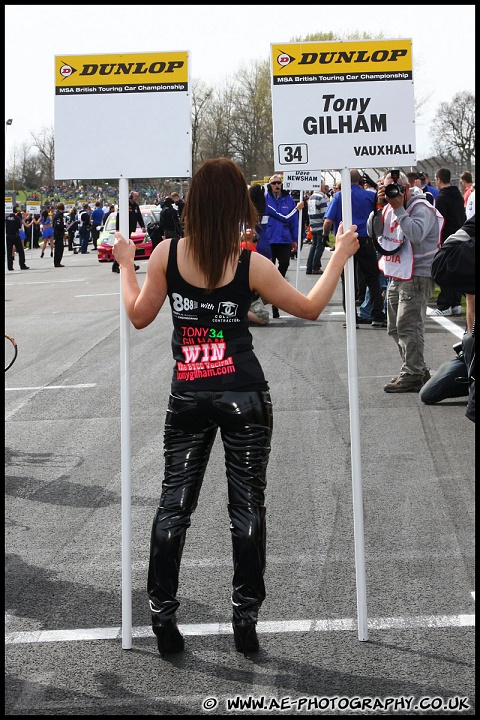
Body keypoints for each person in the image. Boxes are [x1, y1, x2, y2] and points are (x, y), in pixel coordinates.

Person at [112, 157, 359, 657]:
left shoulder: (164, 254)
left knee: (174, 504)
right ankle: (245, 617)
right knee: (247, 505)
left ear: (194, 202)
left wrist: (124, 265)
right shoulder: (251, 264)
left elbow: (139, 316)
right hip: (244, 394)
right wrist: (338, 257)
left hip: (189, 394)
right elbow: (310, 307)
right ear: (236, 208)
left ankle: (162, 615)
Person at [372, 170, 443, 393]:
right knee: (394, 327)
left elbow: (415, 234)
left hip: (418, 274)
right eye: (387, 188)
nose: (393, 193)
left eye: (396, 188)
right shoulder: (387, 207)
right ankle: (417, 368)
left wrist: (398, 208)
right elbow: (375, 233)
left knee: (408, 325)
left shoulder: (422, 208)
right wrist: (379, 204)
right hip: (398, 272)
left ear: (405, 187)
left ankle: (412, 373)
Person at [323, 169, 386, 328]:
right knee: (372, 279)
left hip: (346, 241)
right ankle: (377, 315)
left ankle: (351, 318)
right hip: (365, 239)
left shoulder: (339, 196)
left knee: (347, 281)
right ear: (360, 182)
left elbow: (328, 221)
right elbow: (380, 213)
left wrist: (325, 237)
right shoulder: (370, 195)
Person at [265, 174, 300, 318]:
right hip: (269, 238)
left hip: (284, 238)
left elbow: (294, 220)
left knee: (285, 263)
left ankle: (276, 285)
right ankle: (272, 296)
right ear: (270, 185)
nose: (277, 186)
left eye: (279, 183)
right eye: (274, 183)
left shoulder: (288, 199)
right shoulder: (265, 199)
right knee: (269, 267)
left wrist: (295, 238)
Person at [433, 168, 466, 316]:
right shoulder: (458, 195)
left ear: (438, 179)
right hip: (460, 237)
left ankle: (444, 305)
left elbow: (439, 222)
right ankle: (456, 303)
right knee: (456, 271)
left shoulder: (441, 198)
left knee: (444, 271)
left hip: (447, 239)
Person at [248, 184, 303, 261]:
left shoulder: (244, 209)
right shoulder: (266, 208)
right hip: (263, 242)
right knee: (266, 269)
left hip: (248, 242)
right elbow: (285, 218)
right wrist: (296, 209)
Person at [112, 192, 143, 273]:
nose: (136, 198)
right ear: (130, 196)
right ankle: (117, 266)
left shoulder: (135, 206)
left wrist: (142, 225)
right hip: (123, 228)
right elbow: (119, 216)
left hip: (130, 228)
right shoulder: (124, 204)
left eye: (137, 196)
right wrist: (118, 228)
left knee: (126, 247)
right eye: (135, 196)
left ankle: (127, 265)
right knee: (123, 246)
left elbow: (139, 216)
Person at [305, 183, 329, 275]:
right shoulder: (321, 198)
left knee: (314, 246)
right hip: (320, 225)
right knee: (319, 246)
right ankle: (315, 267)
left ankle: (309, 267)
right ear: (321, 186)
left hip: (313, 224)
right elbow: (324, 214)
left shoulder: (311, 197)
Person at [52, 202, 66, 267]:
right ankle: (57, 262)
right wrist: (64, 226)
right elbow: (57, 225)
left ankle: (57, 262)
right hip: (58, 234)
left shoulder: (56, 214)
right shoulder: (58, 215)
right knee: (59, 248)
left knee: (60, 248)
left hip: (58, 233)